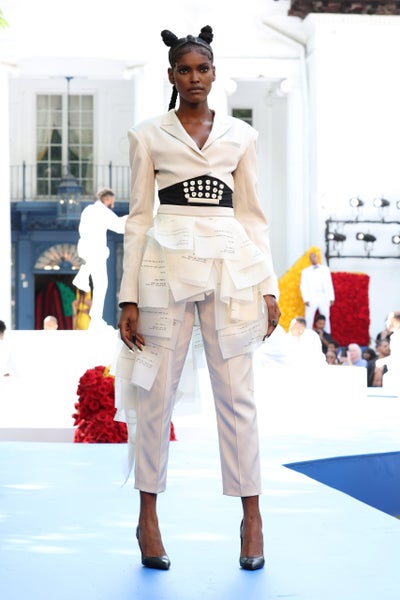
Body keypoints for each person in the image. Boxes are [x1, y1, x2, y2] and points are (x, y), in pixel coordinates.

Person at [116, 25, 280, 572]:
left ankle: (252, 517)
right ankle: (148, 517)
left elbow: (252, 216)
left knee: (238, 395)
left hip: (232, 271)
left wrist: (269, 286)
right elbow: (138, 218)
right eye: (184, 70)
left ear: (214, 73)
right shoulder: (147, 135)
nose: (194, 78)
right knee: (154, 393)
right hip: (163, 269)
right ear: (171, 75)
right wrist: (128, 297)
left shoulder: (241, 135)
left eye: (202, 69)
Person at [72, 188, 127, 329]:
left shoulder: (88, 210)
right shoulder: (101, 211)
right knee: (101, 284)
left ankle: (83, 275)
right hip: (96, 250)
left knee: (100, 284)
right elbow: (120, 226)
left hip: (87, 249)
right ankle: (96, 318)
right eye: (112, 202)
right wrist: (136, 216)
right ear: (106, 200)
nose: (112, 206)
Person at [300, 251, 335, 333]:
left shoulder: (325, 269)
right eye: (311, 257)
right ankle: (307, 335)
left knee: (326, 316)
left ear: (317, 257)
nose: (313, 259)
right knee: (309, 317)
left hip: (323, 295)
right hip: (311, 296)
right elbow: (303, 285)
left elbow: (329, 283)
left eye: (314, 257)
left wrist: (331, 297)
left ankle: (327, 335)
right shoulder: (305, 271)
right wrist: (306, 299)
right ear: (309, 259)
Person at [382, 311, 400, 391]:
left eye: (389, 319)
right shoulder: (395, 336)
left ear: (397, 321)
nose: (387, 322)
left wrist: (384, 361)